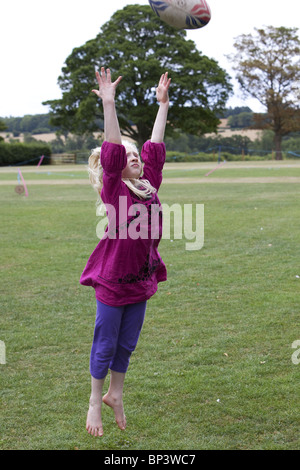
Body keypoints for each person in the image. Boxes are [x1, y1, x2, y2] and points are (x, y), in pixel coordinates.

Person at [80, 67, 171, 437]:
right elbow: (114, 153)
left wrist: (163, 106)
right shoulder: (114, 191)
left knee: (128, 343)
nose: (135, 156)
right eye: (128, 154)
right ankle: (94, 400)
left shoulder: (149, 186)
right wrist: (109, 103)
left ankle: (116, 394)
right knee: (105, 344)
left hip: (141, 278)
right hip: (114, 280)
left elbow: (156, 150)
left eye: (137, 154)